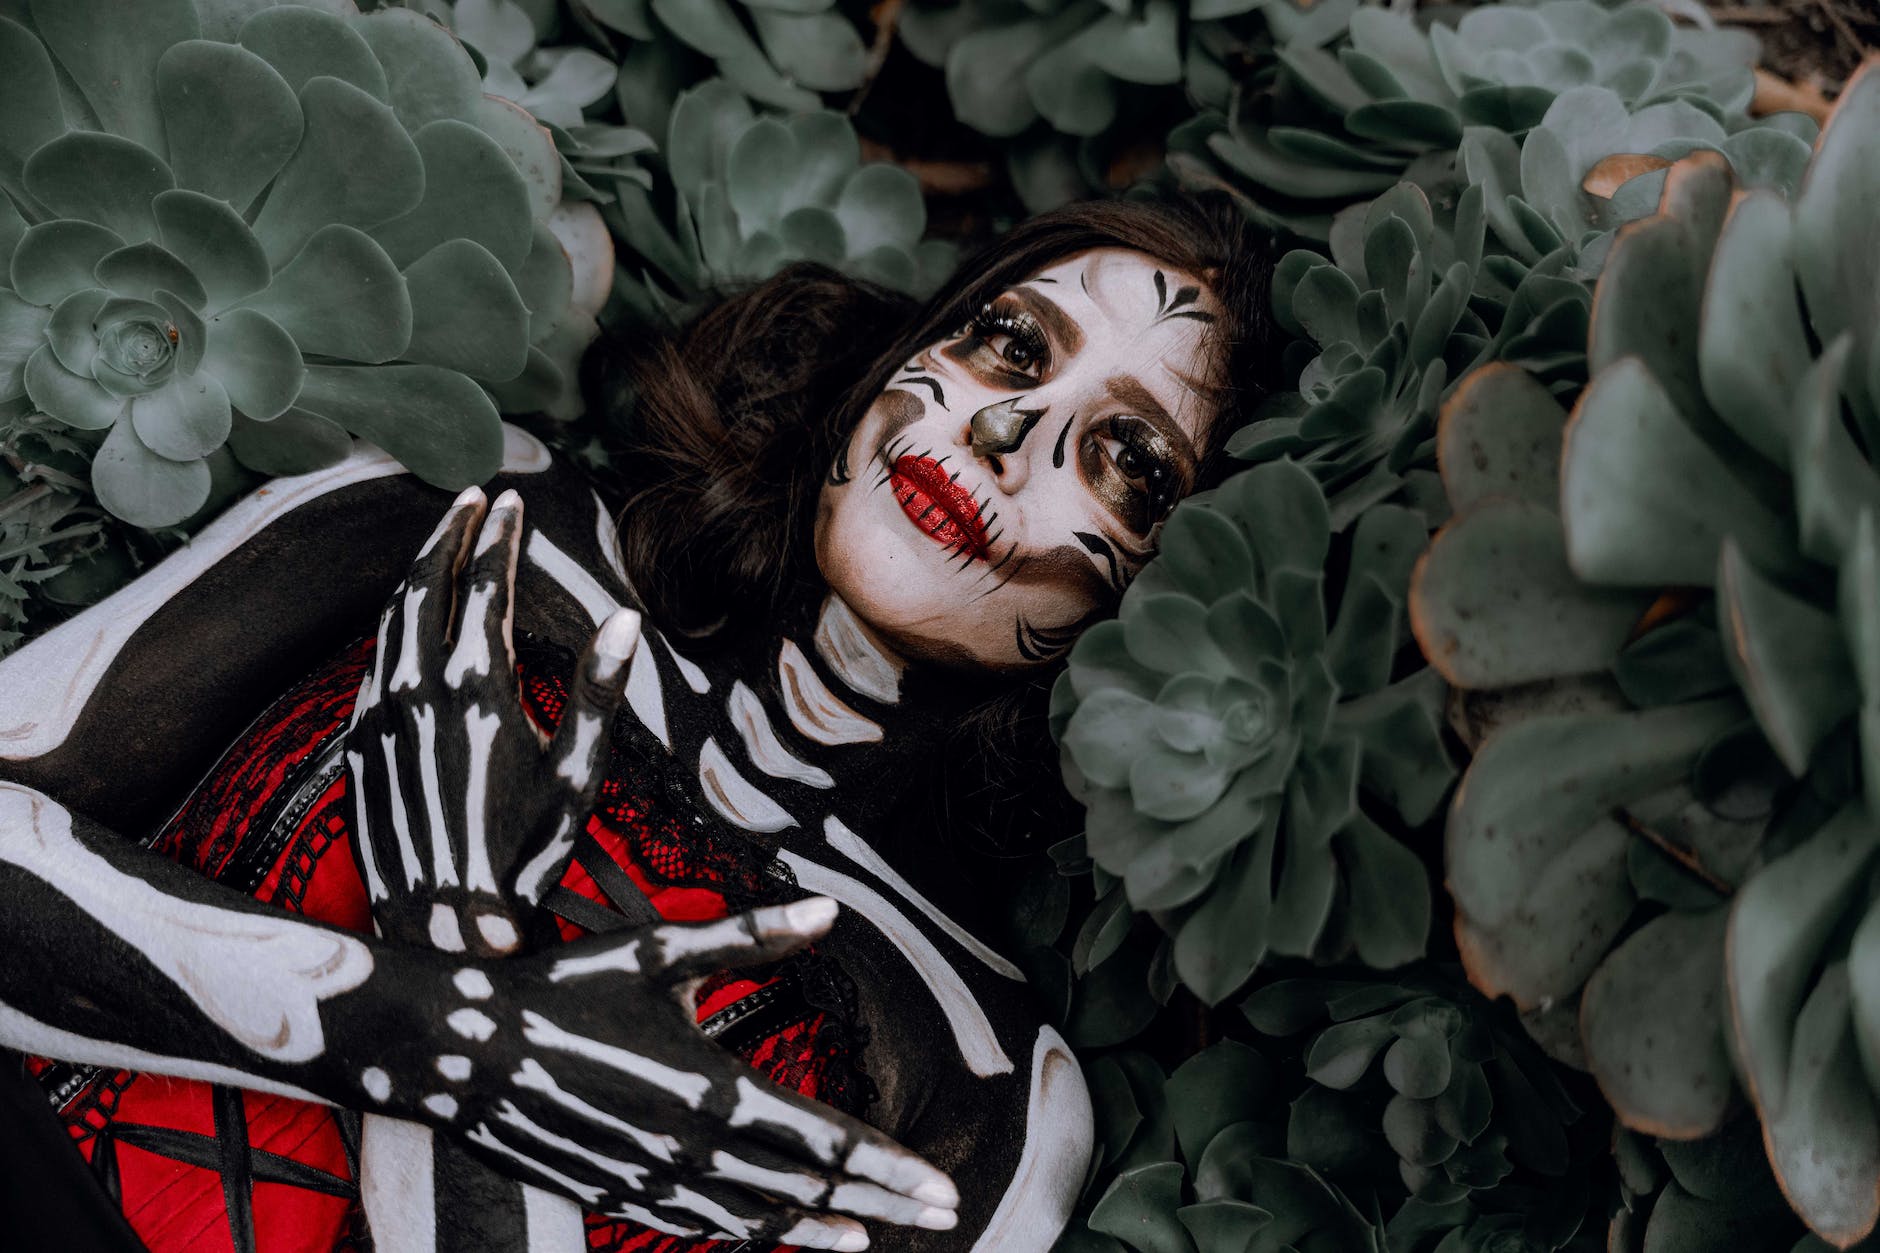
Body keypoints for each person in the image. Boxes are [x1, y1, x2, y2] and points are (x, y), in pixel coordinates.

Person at [0, 191, 1278, 1253]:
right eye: (1007, 341)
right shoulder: (480, 512)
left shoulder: (987, 1087)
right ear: (908, 346)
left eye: (1129, 462)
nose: (1008, 434)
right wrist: (408, 1026)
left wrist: (450, 919)